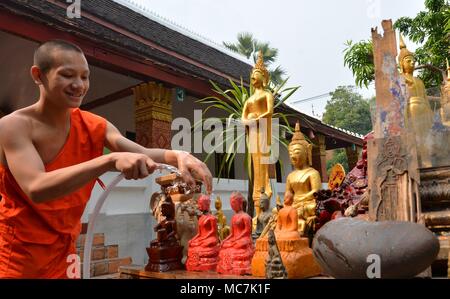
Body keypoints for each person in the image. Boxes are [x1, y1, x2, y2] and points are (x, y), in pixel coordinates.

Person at [0, 40, 212, 278]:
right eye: (67, 75)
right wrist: (108, 161)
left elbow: (139, 151)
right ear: (38, 75)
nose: (79, 85)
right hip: (19, 257)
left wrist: (178, 156)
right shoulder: (13, 126)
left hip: (65, 253)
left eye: (85, 77)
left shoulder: (94, 125)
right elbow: (36, 187)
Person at [241, 51, 274, 216]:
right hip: (253, 132)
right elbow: (242, 118)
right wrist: (249, 122)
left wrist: (256, 119)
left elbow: (269, 111)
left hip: (262, 130)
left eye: (257, 74)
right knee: (255, 166)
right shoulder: (248, 100)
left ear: (264, 78)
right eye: (252, 74)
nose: (254, 77)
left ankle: (264, 196)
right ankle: (257, 209)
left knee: (263, 166)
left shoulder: (267, 94)